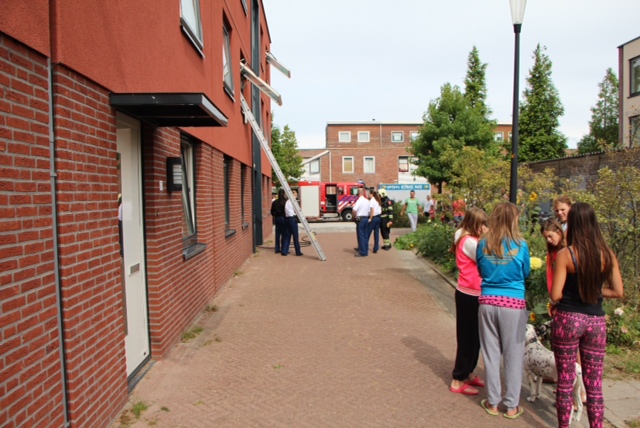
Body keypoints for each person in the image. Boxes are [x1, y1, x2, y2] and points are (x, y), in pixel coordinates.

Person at [549, 202, 623, 428]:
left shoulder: (566, 254)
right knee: (594, 384)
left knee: (565, 381)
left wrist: (567, 295)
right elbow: (618, 291)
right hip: (596, 321)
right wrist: (593, 290)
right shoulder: (607, 254)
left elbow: (556, 294)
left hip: (569, 319)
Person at [476, 202, 530, 419]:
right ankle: (512, 405)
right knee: (513, 354)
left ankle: (492, 402)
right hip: (513, 303)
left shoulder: (482, 244)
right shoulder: (521, 244)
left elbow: (480, 268)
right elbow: (525, 271)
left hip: (487, 300)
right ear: (513, 219)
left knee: (490, 353)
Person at [449, 207, 488, 396]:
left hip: (474, 293)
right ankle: (458, 378)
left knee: (476, 337)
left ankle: (468, 372)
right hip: (468, 294)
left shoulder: (465, 236)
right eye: (482, 224)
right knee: (467, 338)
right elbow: (487, 256)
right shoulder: (470, 242)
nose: (484, 228)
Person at [541, 219, 565, 294]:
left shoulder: (569, 249)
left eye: (550, 236)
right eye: (546, 238)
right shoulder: (551, 253)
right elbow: (550, 276)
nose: (548, 240)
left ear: (558, 232)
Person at [353, 187, 370, 257]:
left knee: (361, 236)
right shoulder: (367, 201)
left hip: (360, 219)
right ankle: (365, 251)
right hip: (366, 218)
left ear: (359, 193)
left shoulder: (359, 201)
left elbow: (354, 210)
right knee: (365, 235)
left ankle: (362, 252)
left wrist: (355, 217)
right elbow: (370, 211)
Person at [270, 189, 286, 254]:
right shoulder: (285, 202)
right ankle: (283, 248)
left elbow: (271, 211)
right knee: (284, 234)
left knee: (278, 234)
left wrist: (274, 214)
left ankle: (277, 249)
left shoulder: (275, 202)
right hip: (284, 219)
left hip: (277, 218)